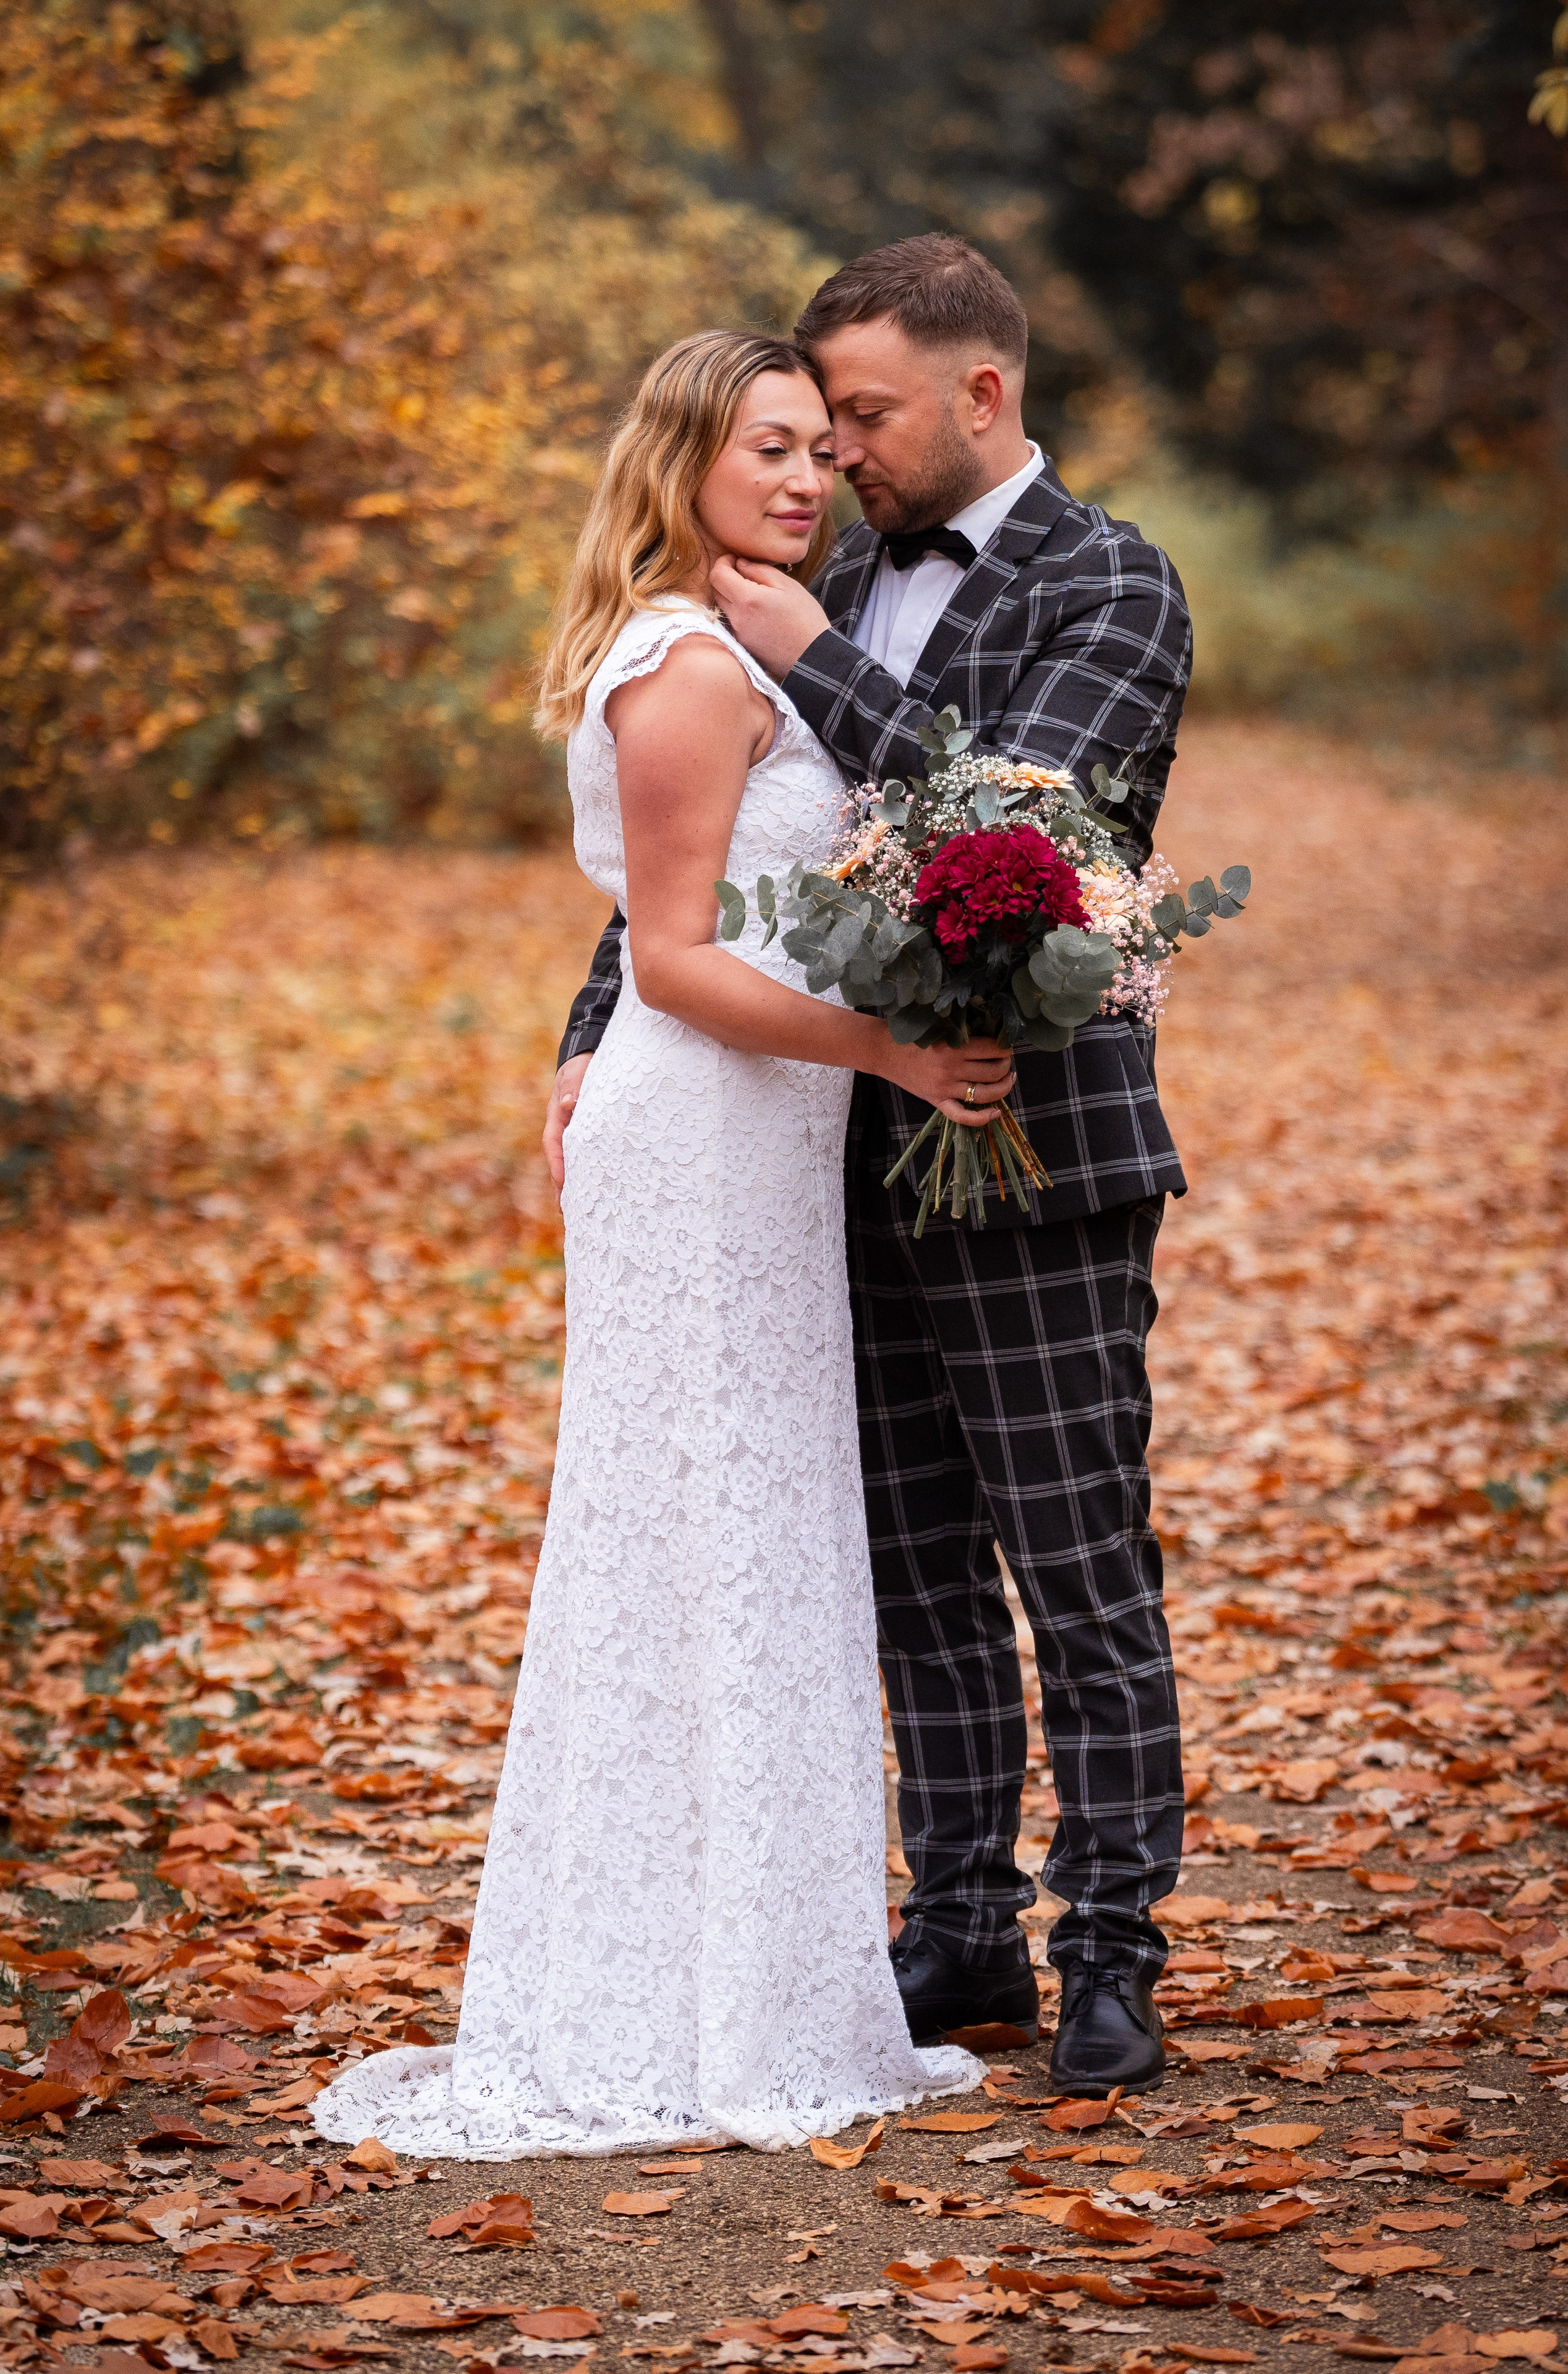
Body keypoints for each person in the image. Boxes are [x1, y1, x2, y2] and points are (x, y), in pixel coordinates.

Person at [310, 330, 994, 2158]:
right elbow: (682, 960)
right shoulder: (689, 669)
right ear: (684, 456)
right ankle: (652, 2004)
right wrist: (894, 1052)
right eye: (762, 446)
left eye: (811, 448)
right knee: (692, 1543)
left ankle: (751, 1983)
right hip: (702, 1146)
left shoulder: (742, 641)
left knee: (748, 1546)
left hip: (757, 1147)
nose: (797, 476)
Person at [549, 237, 1192, 2099]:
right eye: (812, 424)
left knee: (1079, 1568)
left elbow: (1027, 829)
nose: (834, 458)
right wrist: (601, 1021)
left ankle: (1114, 1956)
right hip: (820, 1149)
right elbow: (729, 855)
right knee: (907, 1569)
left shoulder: (1112, 585)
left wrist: (815, 655)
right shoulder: (801, 581)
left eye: (865, 419)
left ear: (981, 392)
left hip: (1039, 1140)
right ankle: (960, 1922)